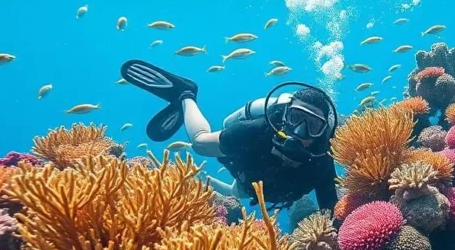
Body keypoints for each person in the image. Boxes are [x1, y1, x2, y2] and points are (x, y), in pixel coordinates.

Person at [120, 60, 339, 211]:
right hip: (247, 156)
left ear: (322, 133)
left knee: (237, 193)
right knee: (199, 143)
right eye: (295, 118)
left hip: (250, 184)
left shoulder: (321, 160)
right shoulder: (258, 131)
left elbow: (331, 209)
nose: (300, 131)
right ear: (284, 116)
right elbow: (202, 145)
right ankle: (185, 95)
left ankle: (186, 179)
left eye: (312, 125)